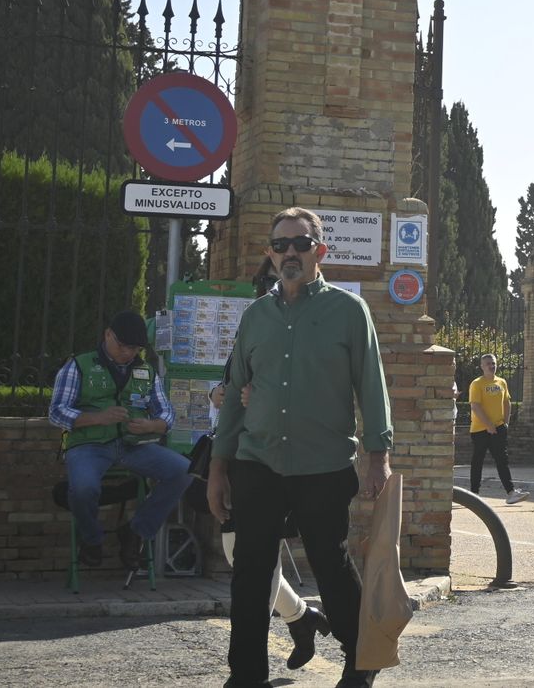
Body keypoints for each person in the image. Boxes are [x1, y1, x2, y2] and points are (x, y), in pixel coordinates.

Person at [209, 207, 393, 688]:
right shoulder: (255, 318)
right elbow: (234, 396)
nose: (290, 252)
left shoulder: (349, 312)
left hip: (323, 464)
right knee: (250, 570)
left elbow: (371, 387)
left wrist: (379, 456)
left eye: (301, 243)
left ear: (320, 251)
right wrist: (217, 467)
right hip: (258, 462)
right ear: (269, 253)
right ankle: (245, 675)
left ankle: (361, 660)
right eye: (281, 244)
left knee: (331, 565)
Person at [202, 368, 330, 670]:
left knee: (258, 553)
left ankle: (249, 659)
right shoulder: (249, 331)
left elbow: (309, 389)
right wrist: (217, 394)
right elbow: (231, 383)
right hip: (238, 452)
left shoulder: (294, 331)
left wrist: (262, 399)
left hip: (276, 455)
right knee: (237, 551)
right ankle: (301, 617)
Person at [49, 310, 193, 570]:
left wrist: (152, 425)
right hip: (89, 445)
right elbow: (57, 411)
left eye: (135, 348)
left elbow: (166, 414)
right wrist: (97, 418)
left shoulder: (146, 371)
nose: (128, 353)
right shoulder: (79, 365)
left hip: (133, 445)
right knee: (83, 488)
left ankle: (136, 532)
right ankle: (92, 539)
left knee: (183, 471)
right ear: (107, 335)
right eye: (123, 346)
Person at [467, 353, 527, 504]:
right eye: (488, 363)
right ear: (482, 366)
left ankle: (511, 492)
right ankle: (474, 493)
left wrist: (505, 423)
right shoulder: (477, 383)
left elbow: (507, 403)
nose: (491, 366)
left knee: (502, 460)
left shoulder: (501, 382)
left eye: (493, 363)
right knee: (477, 461)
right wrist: (488, 425)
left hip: (498, 428)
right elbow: (475, 406)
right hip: (480, 430)